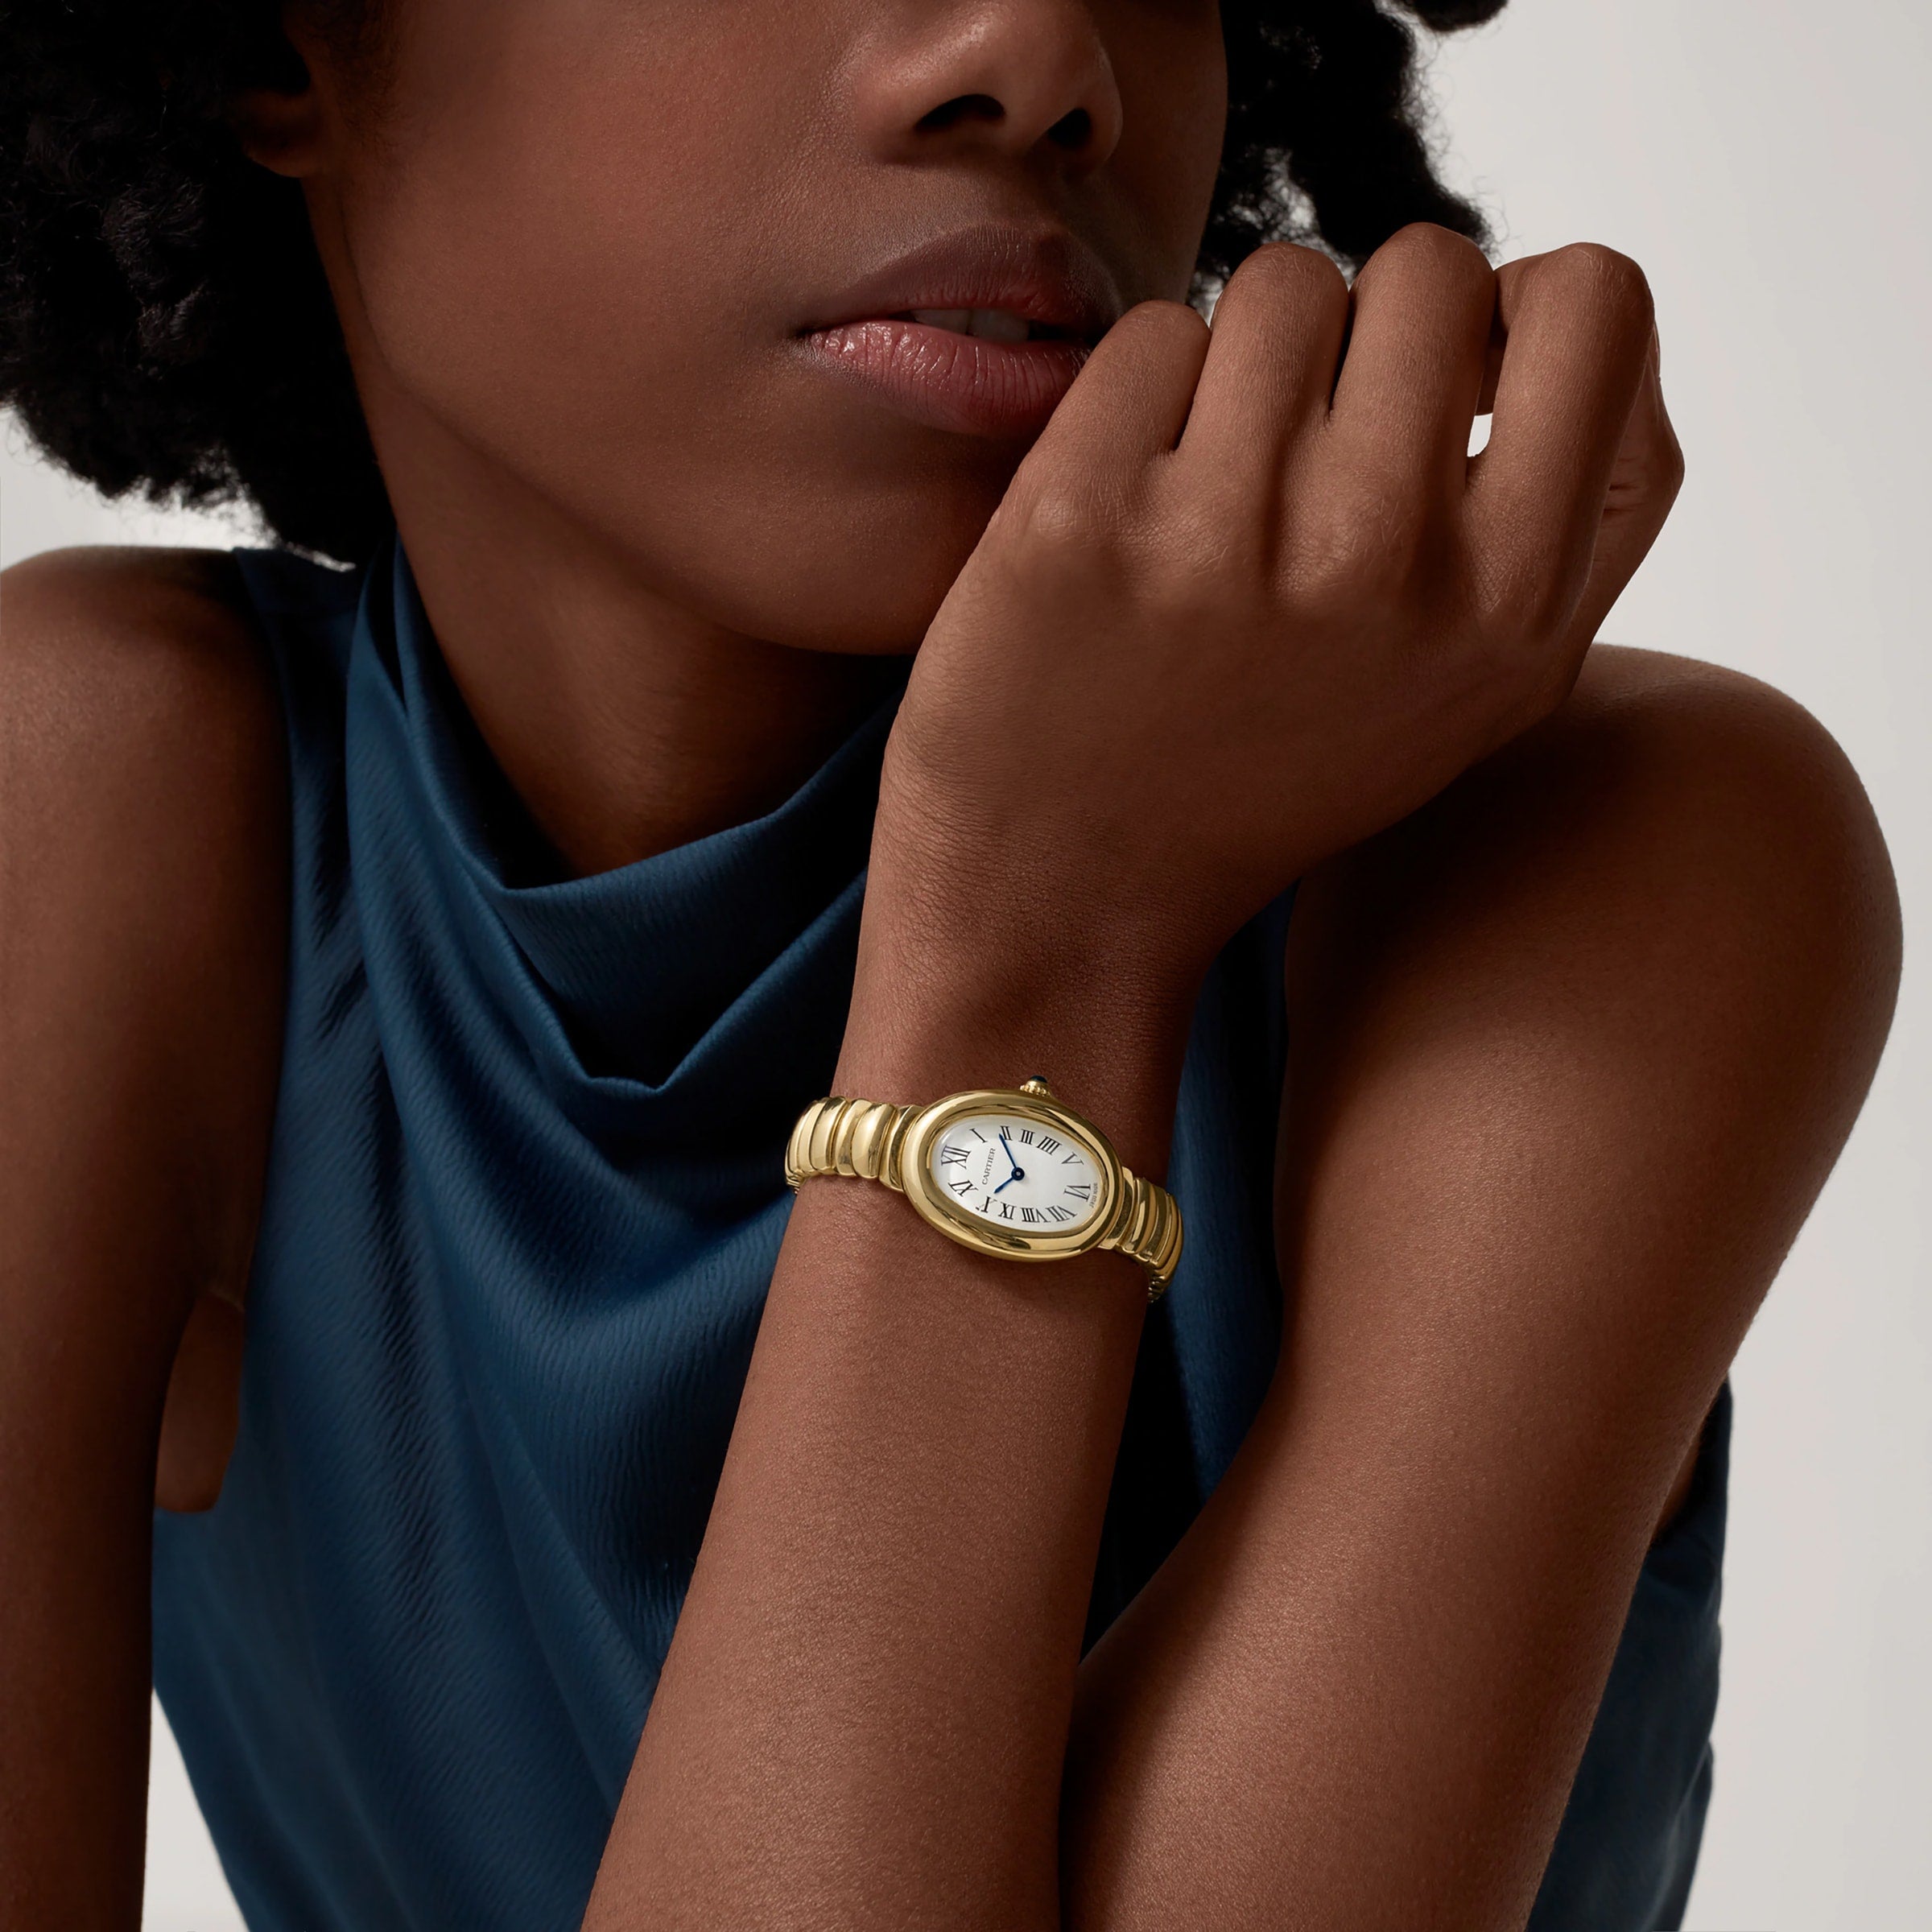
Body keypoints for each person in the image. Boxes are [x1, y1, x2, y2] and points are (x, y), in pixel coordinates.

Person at [0, 1, 1901, 1927]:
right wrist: (1042, 919)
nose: (1040, 49)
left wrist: (1042, 938)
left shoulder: (1581, 880)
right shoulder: (99, 816)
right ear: (283, 45)